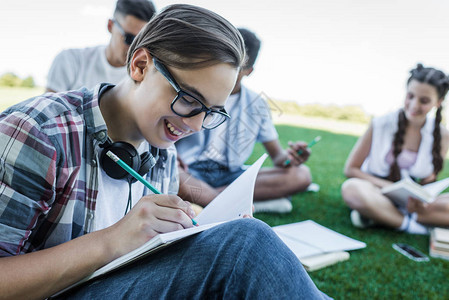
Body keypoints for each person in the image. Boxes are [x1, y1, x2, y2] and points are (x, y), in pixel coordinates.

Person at [0, 5, 330, 299]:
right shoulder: (38, 132)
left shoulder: (161, 150)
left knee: (235, 240)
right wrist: (112, 240)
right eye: (189, 99)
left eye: (212, 111)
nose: (198, 125)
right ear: (141, 65)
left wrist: (200, 230)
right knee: (245, 245)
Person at [176, 28, 314, 214]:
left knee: (302, 175)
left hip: (230, 175)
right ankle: (239, 204)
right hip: (191, 171)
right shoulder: (196, 90)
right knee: (175, 176)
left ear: (249, 71)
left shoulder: (257, 105)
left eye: (237, 66)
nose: (227, 69)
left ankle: (211, 201)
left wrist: (291, 158)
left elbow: (278, 158)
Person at [341, 64, 449, 234]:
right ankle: (412, 226)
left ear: (439, 102)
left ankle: (382, 217)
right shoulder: (380, 124)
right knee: (352, 188)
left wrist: (421, 198)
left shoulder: (442, 134)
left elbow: (429, 180)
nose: (414, 105)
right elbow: (351, 169)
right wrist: (391, 187)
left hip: (414, 203)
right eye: (410, 96)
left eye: (424, 101)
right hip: (377, 192)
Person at [46, 0, 156, 93]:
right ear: (110, 26)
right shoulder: (70, 60)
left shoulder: (145, 78)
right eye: (129, 38)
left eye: (142, 42)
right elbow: (48, 112)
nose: (135, 49)